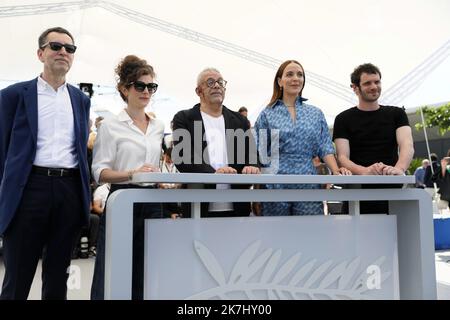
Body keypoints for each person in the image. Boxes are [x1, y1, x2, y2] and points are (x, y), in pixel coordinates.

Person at [0, 27, 91, 299]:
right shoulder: (12, 95)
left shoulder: (81, 100)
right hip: (28, 189)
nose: (63, 51)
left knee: (58, 277)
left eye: (70, 48)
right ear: (41, 53)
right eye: (56, 46)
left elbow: (81, 148)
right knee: (17, 276)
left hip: (69, 190)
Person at [90, 55, 164, 300]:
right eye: (139, 85)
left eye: (151, 86)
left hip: (154, 201)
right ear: (124, 88)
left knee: (149, 269)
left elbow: (154, 165)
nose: (146, 91)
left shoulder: (158, 126)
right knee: (112, 267)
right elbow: (99, 172)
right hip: (122, 199)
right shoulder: (110, 126)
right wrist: (132, 173)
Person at [254, 60, 350, 216]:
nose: (295, 78)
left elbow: (325, 147)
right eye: (290, 74)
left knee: (309, 233)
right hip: (275, 183)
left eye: (300, 75)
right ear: (280, 81)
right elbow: (260, 151)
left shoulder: (315, 113)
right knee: (275, 233)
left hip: (308, 181)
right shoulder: (267, 113)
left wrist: (336, 170)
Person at [172, 67, 260, 217]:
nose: (217, 86)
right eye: (210, 82)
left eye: (220, 82)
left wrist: (252, 166)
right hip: (198, 206)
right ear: (199, 91)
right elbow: (183, 158)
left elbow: (252, 156)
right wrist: (214, 173)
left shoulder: (241, 121)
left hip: (237, 207)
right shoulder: (184, 118)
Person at [333, 63, 414, 214]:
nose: (374, 86)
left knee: (397, 236)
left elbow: (407, 145)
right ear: (355, 88)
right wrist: (365, 172)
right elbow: (342, 157)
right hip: (357, 192)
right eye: (367, 83)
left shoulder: (397, 114)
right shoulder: (343, 119)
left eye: (377, 82)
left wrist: (399, 169)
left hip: (393, 189)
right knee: (356, 236)